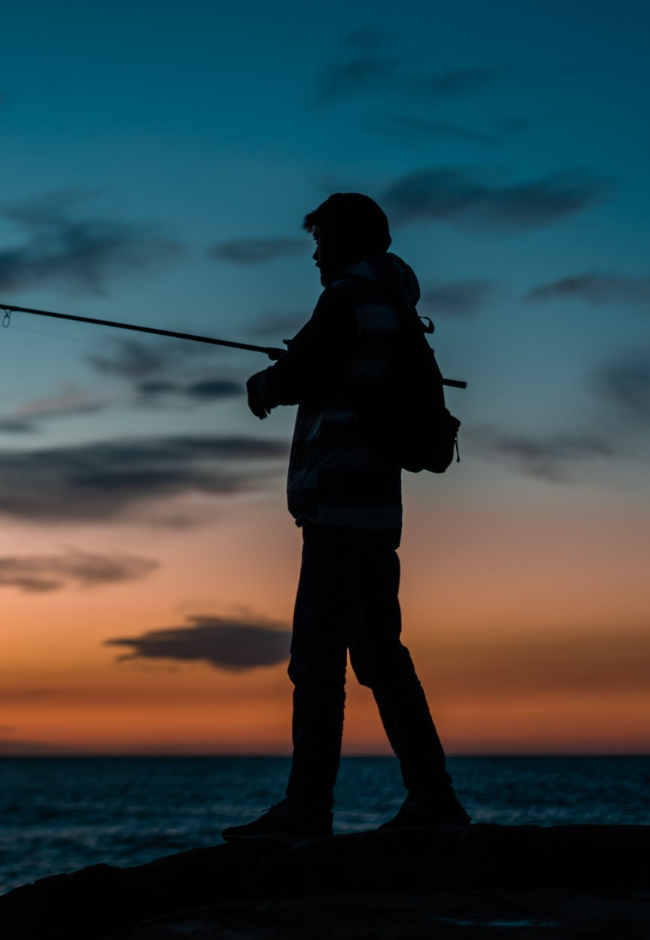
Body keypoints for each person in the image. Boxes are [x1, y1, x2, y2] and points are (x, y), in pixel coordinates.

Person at [222, 193, 469, 840]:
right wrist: (305, 366)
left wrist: (264, 385)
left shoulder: (348, 299)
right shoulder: (398, 307)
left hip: (336, 508)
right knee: (383, 658)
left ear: (346, 240)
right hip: (379, 511)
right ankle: (434, 799)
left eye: (321, 239)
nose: (314, 254)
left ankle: (307, 811)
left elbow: (301, 372)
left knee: (317, 664)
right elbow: (339, 369)